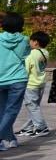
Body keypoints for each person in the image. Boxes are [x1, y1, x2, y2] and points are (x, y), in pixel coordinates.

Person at [0, 12, 29, 150]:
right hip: (18, 79)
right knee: (11, 111)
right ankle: (4, 137)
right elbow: (24, 55)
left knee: (2, 110)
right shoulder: (24, 40)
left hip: (1, 79)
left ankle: (9, 138)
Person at [18, 30, 51, 137]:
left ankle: (42, 127)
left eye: (30, 41)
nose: (29, 43)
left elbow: (26, 70)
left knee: (32, 107)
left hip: (31, 84)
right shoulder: (45, 52)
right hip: (40, 83)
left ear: (36, 42)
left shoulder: (31, 54)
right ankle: (28, 128)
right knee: (34, 107)